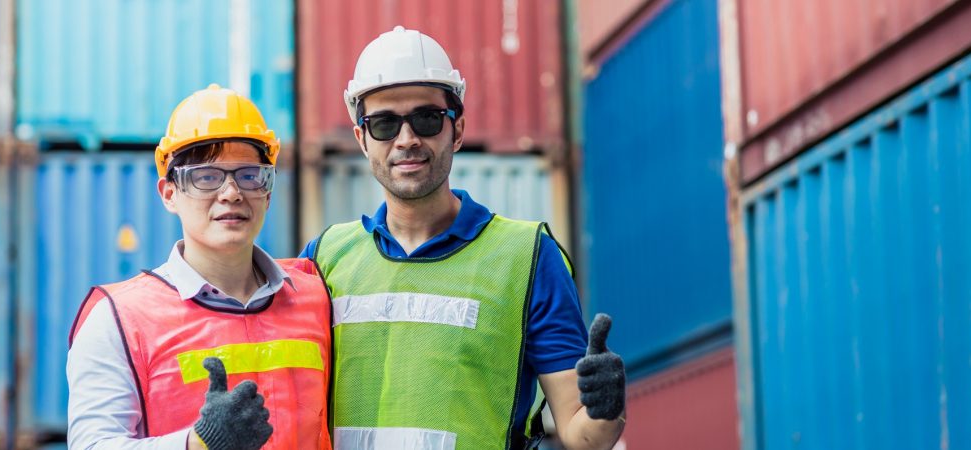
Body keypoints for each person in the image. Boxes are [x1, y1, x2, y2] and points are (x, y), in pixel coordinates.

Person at [300, 26, 626, 449]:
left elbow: (585, 437)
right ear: (362, 139)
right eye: (384, 124)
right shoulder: (323, 259)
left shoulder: (527, 258)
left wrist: (607, 408)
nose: (407, 139)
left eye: (426, 118)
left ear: (457, 129)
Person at [67, 84, 332, 450]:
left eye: (249, 175)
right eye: (206, 176)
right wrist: (198, 443)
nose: (231, 192)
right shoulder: (120, 319)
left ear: (267, 192)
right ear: (169, 193)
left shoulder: (316, 297)